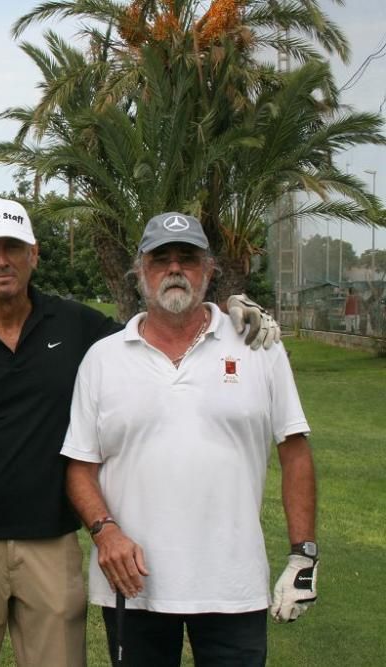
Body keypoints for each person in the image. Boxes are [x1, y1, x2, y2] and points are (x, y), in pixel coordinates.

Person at [0, 197, 281, 667]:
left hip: (51, 541)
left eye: (13, 247)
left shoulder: (76, 326)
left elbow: (159, 327)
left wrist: (226, 311)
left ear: (35, 254)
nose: (2, 260)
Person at [61, 212, 317, 666]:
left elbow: (294, 453)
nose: (175, 269)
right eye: (161, 259)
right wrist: (105, 532)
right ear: (140, 270)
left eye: (188, 258)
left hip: (233, 587)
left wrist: (304, 555)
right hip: (134, 587)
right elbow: (81, 466)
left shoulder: (258, 345)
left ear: (209, 269)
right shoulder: (102, 359)